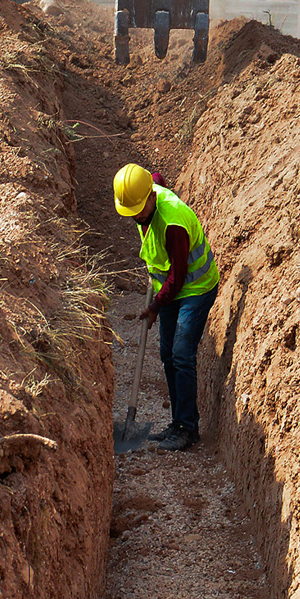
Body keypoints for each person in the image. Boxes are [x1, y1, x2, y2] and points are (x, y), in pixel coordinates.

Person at [113, 162, 219, 452]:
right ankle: (178, 423)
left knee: (182, 354)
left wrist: (155, 306)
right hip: (170, 289)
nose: (135, 216)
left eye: (138, 210)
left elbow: (179, 275)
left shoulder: (173, 224)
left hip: (196, 288)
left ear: (151, 198)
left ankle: (187, 428)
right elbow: (156, 177)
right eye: (130, 211)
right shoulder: (147, 193)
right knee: (166, 354)